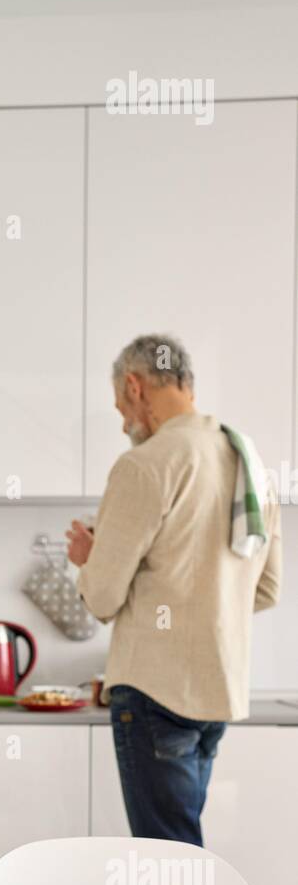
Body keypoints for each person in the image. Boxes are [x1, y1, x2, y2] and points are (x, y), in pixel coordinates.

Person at [66, 333, 281, 846]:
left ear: (136, 386)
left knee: (169, 862)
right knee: (183, 853)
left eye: (121, 405)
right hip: (217, 693)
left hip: (155, 696)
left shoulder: (145, 464)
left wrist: (87, 558)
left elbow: (102, 599)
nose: (123, 422)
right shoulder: (249, 461)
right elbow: (267, 588)